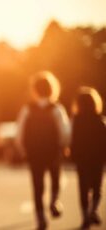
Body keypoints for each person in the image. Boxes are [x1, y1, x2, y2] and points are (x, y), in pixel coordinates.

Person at [15, 71, 70, 230]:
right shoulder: (56, 109)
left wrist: (23, 149)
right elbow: (64, 131)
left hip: (34, 153)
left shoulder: (27, 109)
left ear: (34, 90)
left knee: (37, 186)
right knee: (55, 179)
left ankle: (40, 218)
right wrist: (64, 146)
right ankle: (54, 201)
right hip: (53, 152)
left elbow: (20, 132)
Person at [70, 87, 106, 230]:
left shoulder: (76, 122)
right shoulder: (101, 121)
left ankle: (85, 215)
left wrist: (73, 156)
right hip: (97, 160)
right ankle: (94, 210)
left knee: (83, 189)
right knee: (97, 188)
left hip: (82, 160)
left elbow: (73, 141)